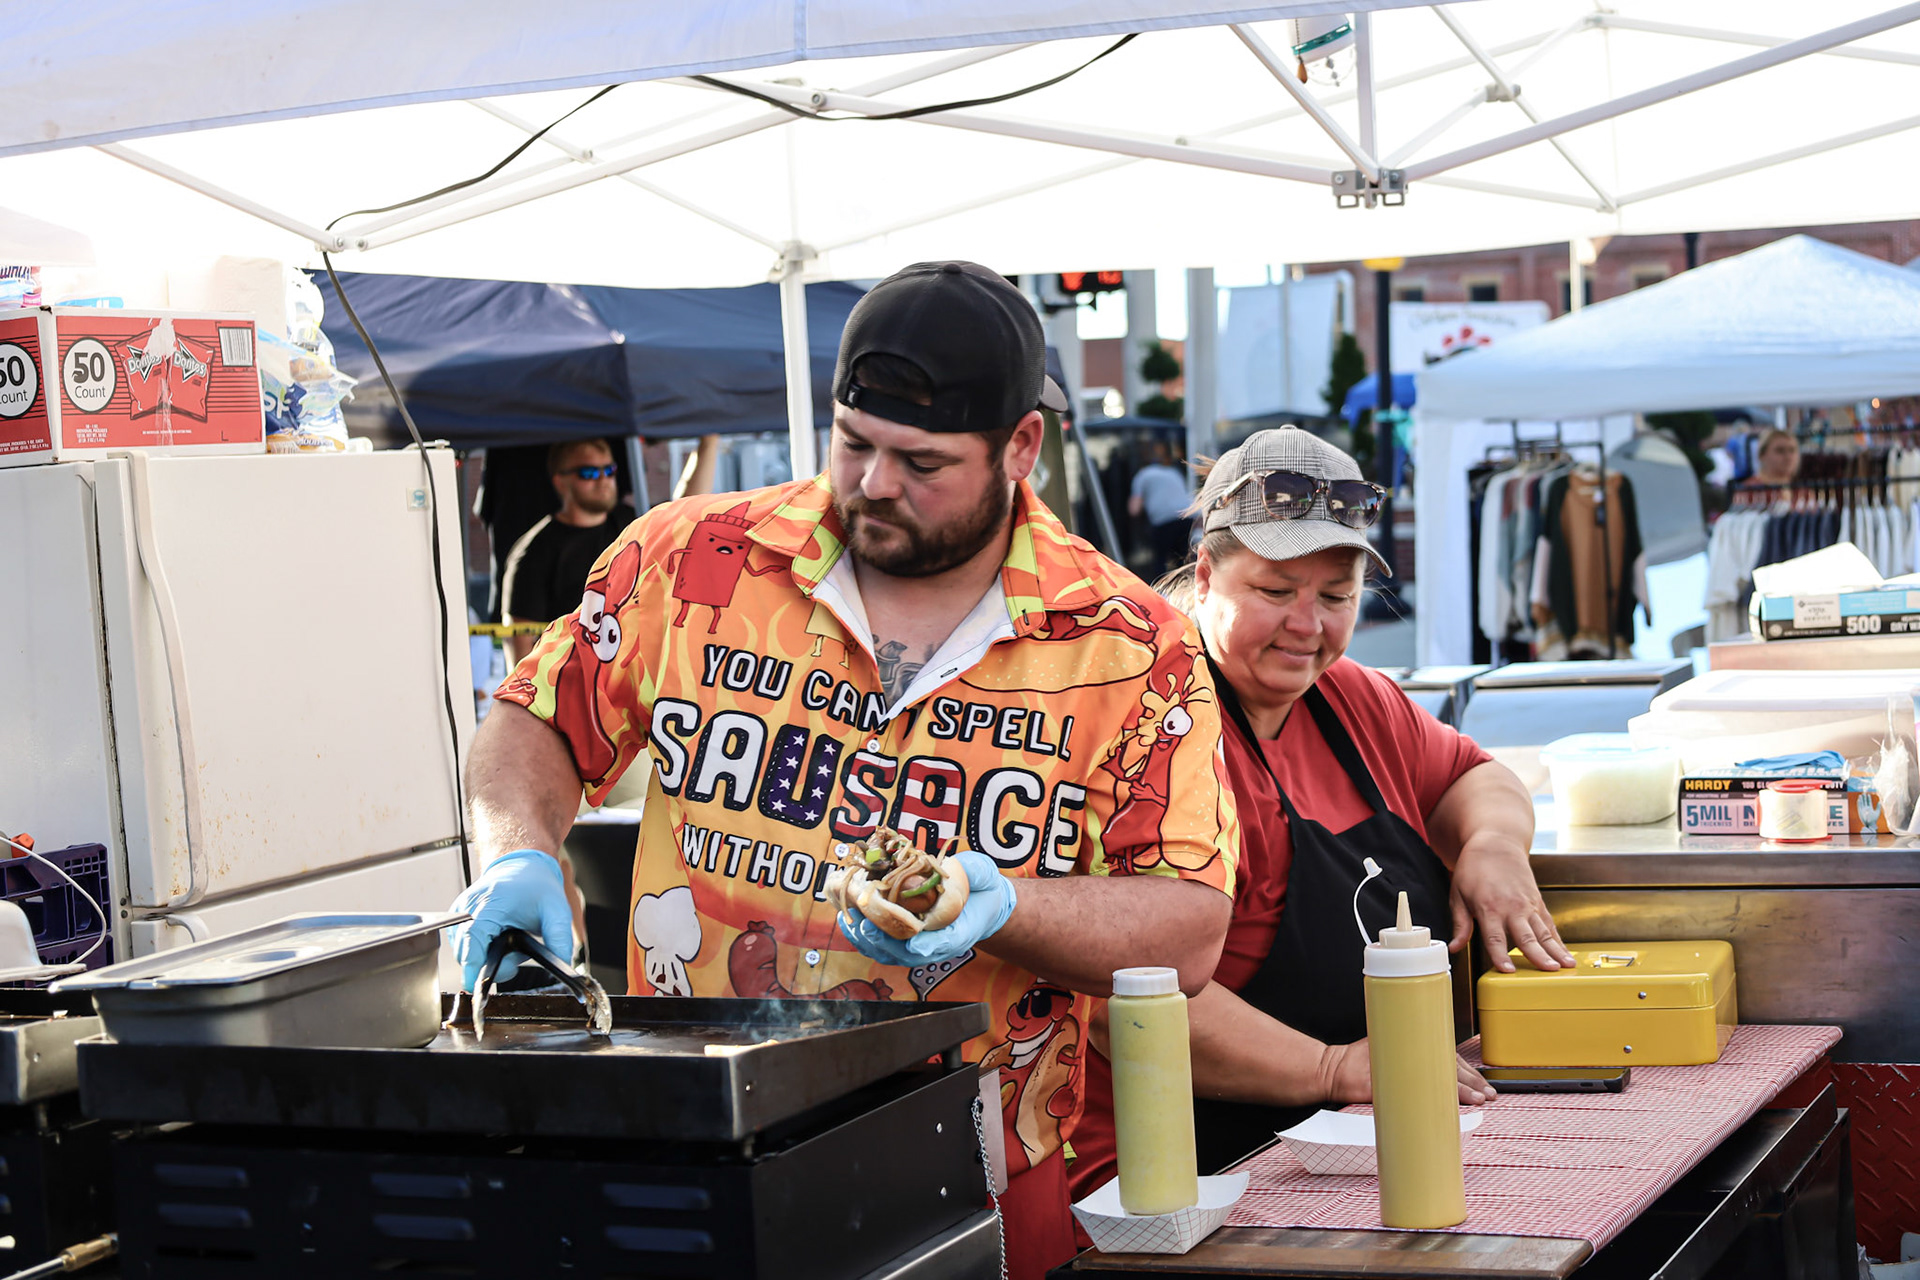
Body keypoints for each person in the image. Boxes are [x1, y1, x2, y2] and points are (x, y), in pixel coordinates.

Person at [449, 261, 1240, 1279]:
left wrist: (1006, 907)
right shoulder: (691, 559)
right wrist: (518, 851)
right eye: (853, 442)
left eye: (922, 462)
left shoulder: (1130, 645)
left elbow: (1188, 926)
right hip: (697, 1150)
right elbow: (537, 717)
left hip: (973, 1173)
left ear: (1021, 448)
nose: (873, 484)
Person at [1068, 427, 1573, 1197]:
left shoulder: (1352, 698)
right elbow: (1124, 988)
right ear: (1205, 576)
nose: (1308, 626)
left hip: (1351, 1138)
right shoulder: (1149, 726)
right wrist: (1335, 1068)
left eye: (1335, 597)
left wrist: (1494, 846)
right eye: (1275, 592)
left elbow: (1474, 777)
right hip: (1184, 1171)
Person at [501, 438, 636, 663]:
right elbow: (520, 641)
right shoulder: (533, 552)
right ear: (561, 482)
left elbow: (684, 524)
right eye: (589, 473)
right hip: (572, 676)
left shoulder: (633, 525)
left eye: (609, 470)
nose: (603, 480)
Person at [1128, 439, 1194, 578]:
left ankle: (1161, 588)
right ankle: (1188, 586)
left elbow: (1134, 509)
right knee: (1184, 559)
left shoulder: (1142, 475)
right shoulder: (1173, 472)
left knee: (1160, 561)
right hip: (1186, 517)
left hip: (1163, 521)